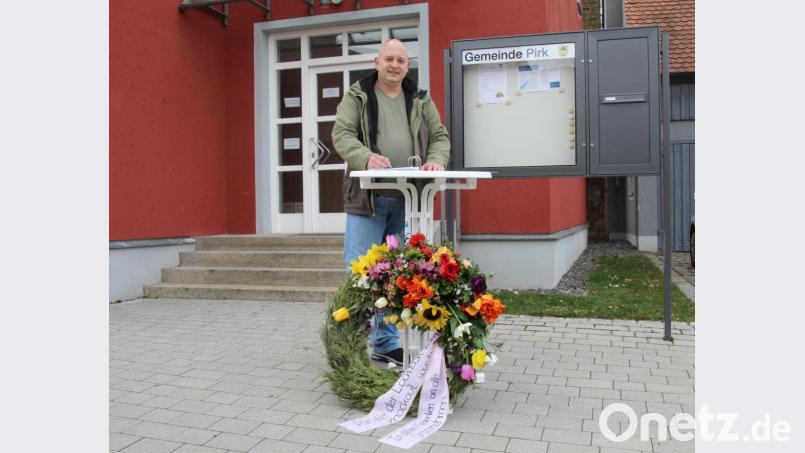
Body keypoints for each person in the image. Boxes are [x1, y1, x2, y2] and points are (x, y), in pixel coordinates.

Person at [332, 39, 450, 365]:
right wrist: (365, 157)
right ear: (377, 62)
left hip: (409, 201)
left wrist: (436, 160)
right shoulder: (358, 95)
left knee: (397, 276)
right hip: (367, 199)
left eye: (400, 60)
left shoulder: (421, 99)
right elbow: (342, 134)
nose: (394, 65)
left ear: (407, 66)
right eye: (389, 59)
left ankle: (385, 344)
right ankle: (349, 346)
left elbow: (440, 137)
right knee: (360, 274)